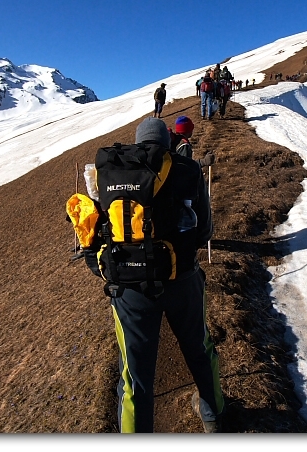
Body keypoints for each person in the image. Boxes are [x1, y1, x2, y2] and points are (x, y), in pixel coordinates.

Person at [109, 118, 224, 433]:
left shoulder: (116, 173)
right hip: (182, 279)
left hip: (129, 288)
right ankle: (212, 416)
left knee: (135, 374)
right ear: (168, 141)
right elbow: (204, 232)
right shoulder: (187, 170)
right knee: (199, 348)